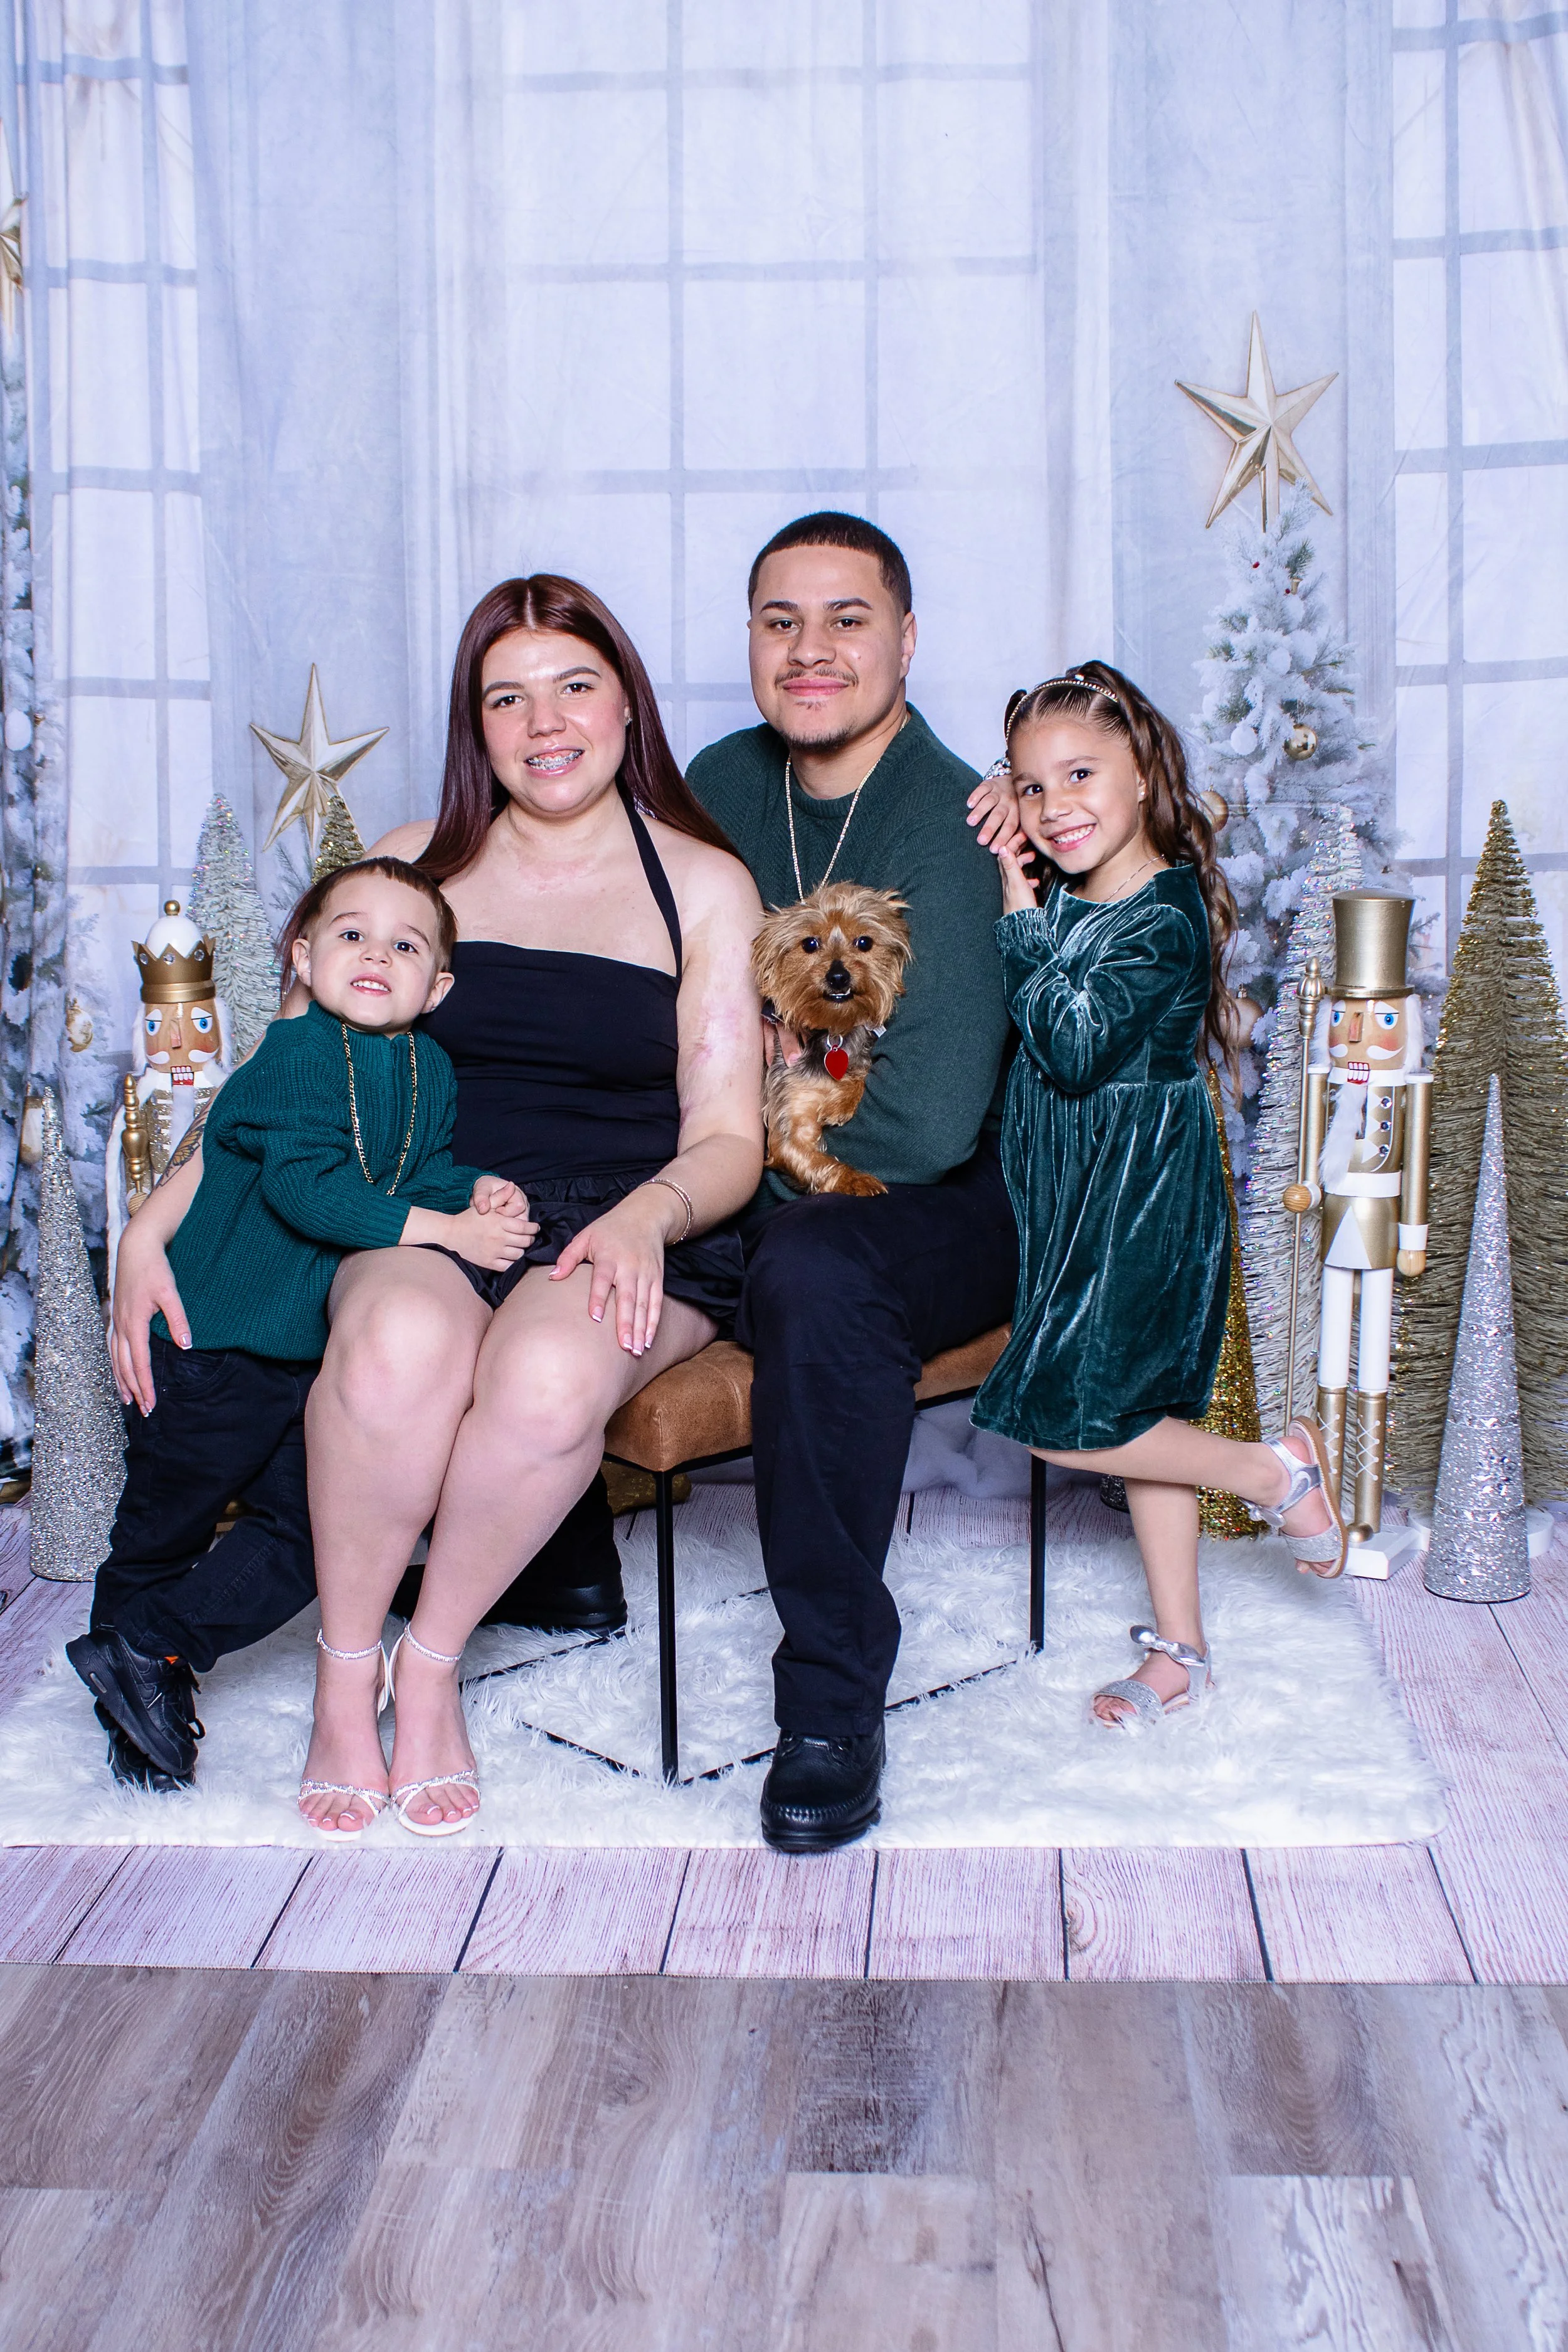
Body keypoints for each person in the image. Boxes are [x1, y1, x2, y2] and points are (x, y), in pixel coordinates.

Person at [112, 575, 765, 1836]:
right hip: (426, 1202)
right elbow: (282, 1094)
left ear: (627, 703)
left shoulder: (700, 884)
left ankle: (429, 1668)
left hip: (626, 1215)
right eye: (506, 698)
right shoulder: (411, 866)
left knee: (547, 1381)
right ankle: (343, 1677)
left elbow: (731, 1133)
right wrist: (152, 1224)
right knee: (400, 1343)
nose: (545, 722)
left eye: (574, 686)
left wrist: (651, 1215)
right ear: (476, 725)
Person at [685, 512, 1019, 1851]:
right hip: (761, 1166)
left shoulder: (955, 822)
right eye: (782, 622)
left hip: (940, 1203)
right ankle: (551, 1558)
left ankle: (829, 1703)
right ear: (751, 641)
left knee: (813, 1266)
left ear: (907, 640)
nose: (810, 649)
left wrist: (731, 1188)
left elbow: (926, 1126)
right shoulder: (718, 783)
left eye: (846, 619)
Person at [75, 858, 534, 1794]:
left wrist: (476, 1191)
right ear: (303, 956)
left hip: (301, 1353)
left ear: (437, 987)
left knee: (314, 1531)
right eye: (352, 934)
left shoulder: (428, 1065)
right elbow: (307, 1190)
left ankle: (152, 1649)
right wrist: (449, 1233)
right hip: (211, 1343)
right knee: (165, 1526)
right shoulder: (295, 1054)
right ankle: (129, 1713)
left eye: (406, 945)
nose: (376, 954)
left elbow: (413, 1174)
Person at [969, 664, 1348, 1730]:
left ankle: (1273, 1473)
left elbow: (1072, 1045)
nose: (1056, 805)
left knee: (1065, 1421)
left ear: (1142, 774)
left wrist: (1016, 906)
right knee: (1142, 1419)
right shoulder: (1073, 888)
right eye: (1033, 785)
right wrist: (1008, 810)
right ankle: (1183, 1650)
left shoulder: (1166, 912)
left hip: (1139, 1196)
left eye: (1081, 774)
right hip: (1071, 1196)